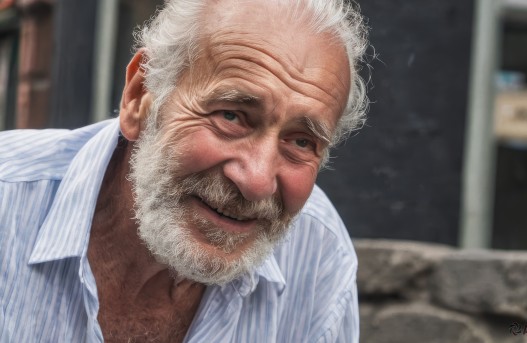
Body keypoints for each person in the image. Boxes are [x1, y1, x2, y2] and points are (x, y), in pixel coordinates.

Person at [0, 0, 369, 341]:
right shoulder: (8, 199)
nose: (256, 181)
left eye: (302, 142)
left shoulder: (318, 253)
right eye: (231, 116)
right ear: (139, 97)